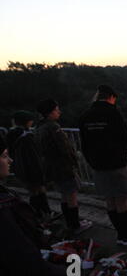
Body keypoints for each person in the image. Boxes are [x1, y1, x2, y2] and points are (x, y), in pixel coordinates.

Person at [0, 134, 80, 276]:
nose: (10, 161)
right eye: (4, 156)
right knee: (75, 263)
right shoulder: (4, 208)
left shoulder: (6, 198)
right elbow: (25, 257)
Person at [79, 85, 127, 246]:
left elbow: (84, 144)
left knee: (109, 200)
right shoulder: (112, 113)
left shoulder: (85, 116)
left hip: (97, 165)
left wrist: (91, 162)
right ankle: (125, 236)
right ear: (111, 97)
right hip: (115, 164)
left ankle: (120, 233)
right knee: (121, 201)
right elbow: (126, 138)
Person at [34, 99, 92, 234]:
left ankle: (70, 222)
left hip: (52, 167)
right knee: (71, 196)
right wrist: (74, 159)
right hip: (63, 167)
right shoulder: (53, 127)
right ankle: (75, 225)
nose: (59, 111)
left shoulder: (39, 128)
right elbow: (64, 148)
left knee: (64, 196)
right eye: (56, 109)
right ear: (49, 113)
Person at [6, 110, 58, 221]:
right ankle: (42, 213)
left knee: (33, 191)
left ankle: (37, 214)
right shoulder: (27, 137)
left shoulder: (12, 135)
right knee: (38, 190)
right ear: (28, 122)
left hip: (20, 168)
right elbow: (34, 156)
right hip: (32, 168)